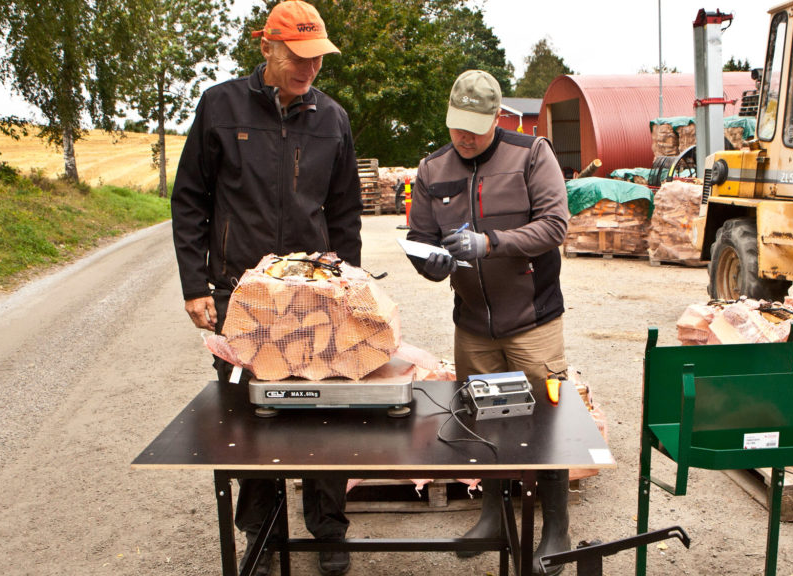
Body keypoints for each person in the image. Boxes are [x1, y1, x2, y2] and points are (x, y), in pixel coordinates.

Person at [170, 1, 361, 575]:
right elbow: (191, 201)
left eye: (318, 58)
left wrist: (346, 286)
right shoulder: (220, 106)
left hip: (312, 294)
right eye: (299, 57)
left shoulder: (333, 118)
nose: (310, 69)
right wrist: (194, 283)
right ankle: (261, 527)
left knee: (325, 406)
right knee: (253, 413)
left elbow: (346, 212)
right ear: (268, 49)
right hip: (241, 294)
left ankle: (328, 529)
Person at [406, 69, 572, 576]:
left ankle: (556, 528)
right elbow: (420, 238)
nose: (465, 137)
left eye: (475, 128)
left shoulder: (531, 154)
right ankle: (492, 517)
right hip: (473, 324)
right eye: (458, 126)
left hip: (533, 319)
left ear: (496, 117)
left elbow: (555, 225)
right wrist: (430, 262)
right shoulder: (433, 170)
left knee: (548, 424)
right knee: (484, 422)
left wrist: (492, 243)